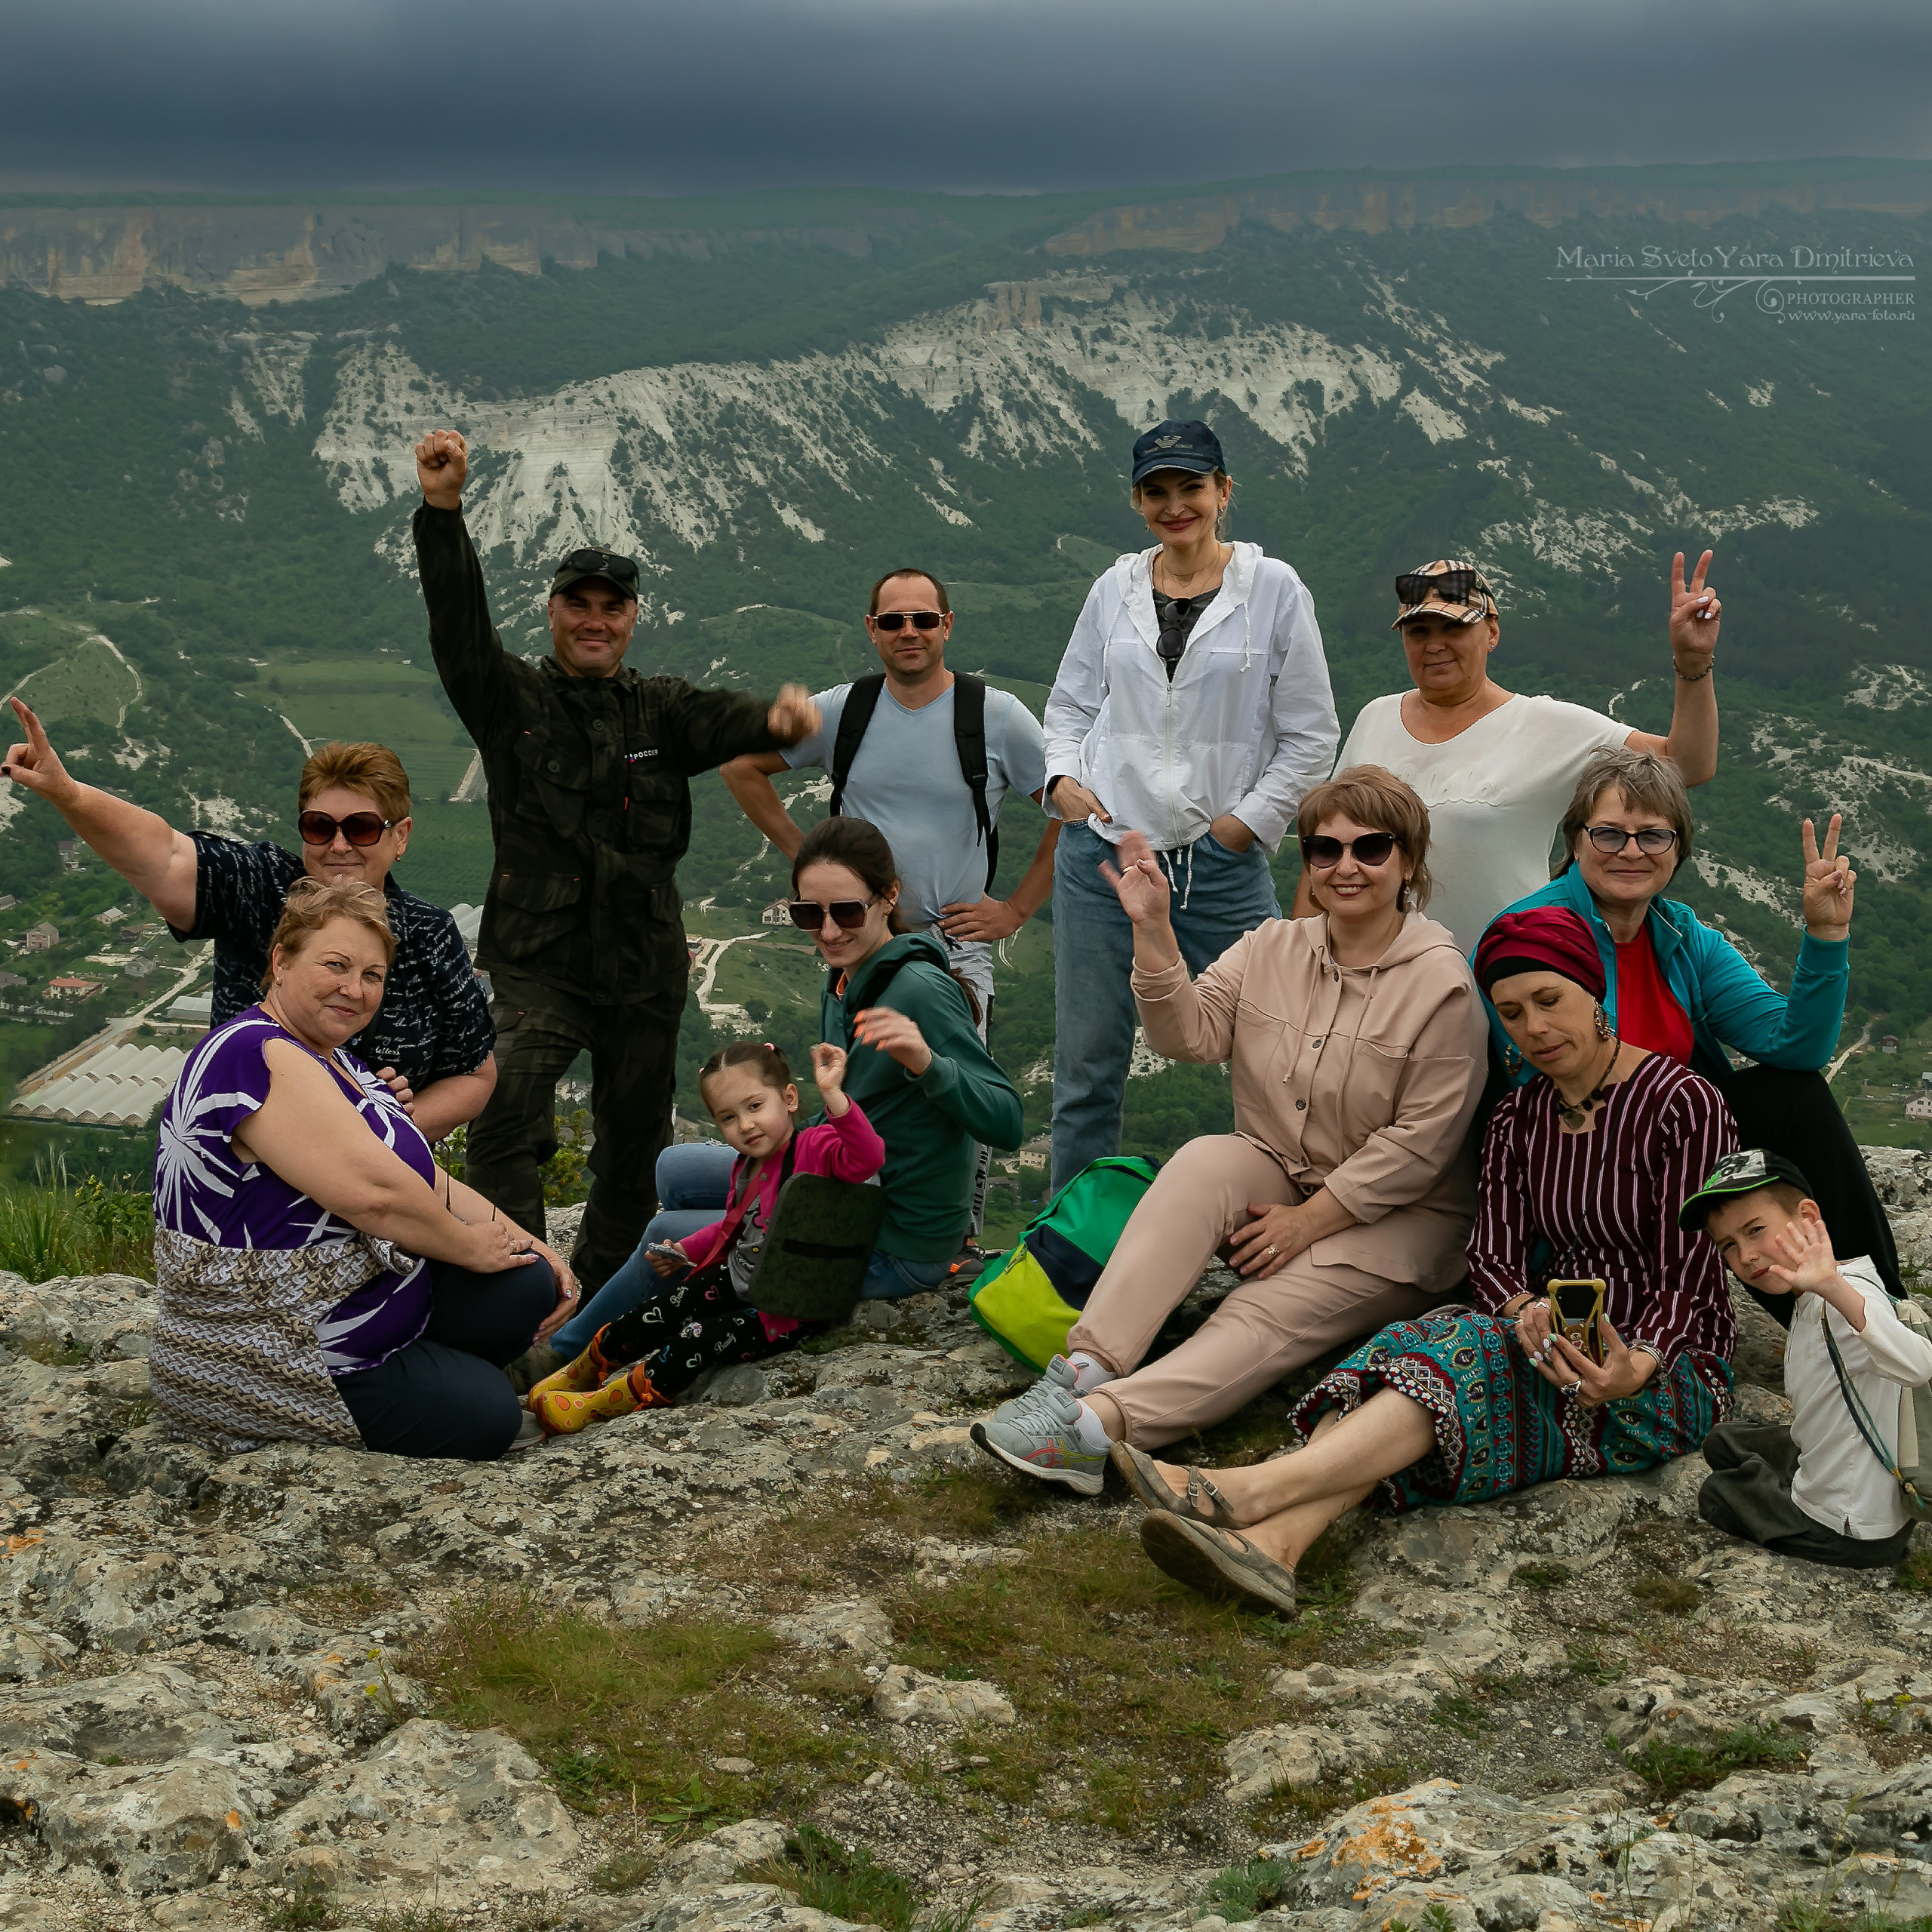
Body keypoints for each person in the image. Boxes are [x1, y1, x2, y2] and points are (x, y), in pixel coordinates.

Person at [1115, 903, 1738, 1617]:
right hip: (1553, 1340)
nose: (1534, 1028)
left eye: (1549, 1000)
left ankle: (1258, 1488)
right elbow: (1494, 1255)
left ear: (1594, 994)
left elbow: (1693, 1267)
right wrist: (1522, 1309)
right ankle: (1275, 1548)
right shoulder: (1517, 1118)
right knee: (1406, 1346)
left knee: (1464, 1362)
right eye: (1510, 1012)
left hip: (1668, 1368)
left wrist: (1637, 1363)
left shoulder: (1684, 1103)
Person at [971, 768, 1486, 1496]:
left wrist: (1308, 1223)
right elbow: (1191, 1033)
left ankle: (1098, 1429)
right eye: (1325, 850)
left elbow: (1421, 1146)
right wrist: (1153, 932)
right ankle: (1084, 1369)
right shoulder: (1272, 946)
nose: (1346, 867)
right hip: (1286, 1168)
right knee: (1207, 1157)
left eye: (1371, 849)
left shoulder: (1443, 984)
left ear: (1408, 861)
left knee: (1260, 1305)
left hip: (1404, 1218)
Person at [411, 429, 821, 1294]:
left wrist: (774, 722)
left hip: (643, 963)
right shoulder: (508, 698)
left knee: (634, 1143)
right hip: (540, 963)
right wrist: (443, 512)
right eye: (578, 605)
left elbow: (720, 722)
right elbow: (456, 628)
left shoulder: (661, 709)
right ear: (553, 612)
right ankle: (519, 1288)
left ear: (632, 619)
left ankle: (596, 1298)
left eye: (611, 607)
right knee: (505, 1112)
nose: (595, 620)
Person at [148, 878, 577, 1461]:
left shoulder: (338, 1060)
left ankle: (429, 1379)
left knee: (525, 1280)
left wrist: (535, 1247)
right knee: (491, 1417)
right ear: (281, 962)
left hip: (358, 1297)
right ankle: (429, 1389)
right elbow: (374, 1195)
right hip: (273, 1342)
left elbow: (427, 1178)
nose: (354, 989)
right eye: (336, 965)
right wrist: (469, 1249)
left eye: (372, 975)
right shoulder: (253, 1053)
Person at [1041, 419, 1339, 1193]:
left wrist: (1243, 827)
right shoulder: (1113, 589)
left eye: (1190, 488)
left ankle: (1286, 1226)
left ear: (1222, 492)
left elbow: (1312, 735)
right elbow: (1070, 706)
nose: (1175, 506)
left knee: (1275, 1054)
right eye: (1156, 492)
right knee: (1087, 1064)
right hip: (1103, 857)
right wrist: (1061, 784)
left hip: (1220, 864)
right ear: (1137, 500)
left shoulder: (1272, 589)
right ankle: (1067, 1252)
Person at [720, 563, 1057, 1240]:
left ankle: (950, 1246)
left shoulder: (993, 715)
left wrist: (1016, 910)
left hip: (952, 948)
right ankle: (863, 1233)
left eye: (924, 620)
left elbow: (1069, 803)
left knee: (960, 1104)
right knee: (861, 1100)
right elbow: (741, 764)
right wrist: (810, 866)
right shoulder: (847, 709)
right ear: (872, 631)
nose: (910, 632)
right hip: (861, 941)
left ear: (946, 627)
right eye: (894, 621)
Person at [1495, 745, 1893, 1315]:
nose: (1631, 851)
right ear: (1576, 842)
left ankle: (1875, 1307)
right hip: (1581, 1150)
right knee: (1709, 1141)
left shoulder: (1682, 936)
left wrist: (1826, 936)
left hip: (1684, 1132)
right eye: (1609, 834)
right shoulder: (1534, 935)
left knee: (1795, 1096)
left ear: (1677, 849)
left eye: (1653, 836)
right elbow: (1551, 1075)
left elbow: (1796, 1047)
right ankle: (1831, 1327)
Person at [2, 704, 494, 1142]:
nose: (339, 845)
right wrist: (67, 793)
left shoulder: (430, 936)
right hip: (250, 1177)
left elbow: (475, 1073)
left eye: (362, 828)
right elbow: (164, 854)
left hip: (381, 1186)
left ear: (400, 836)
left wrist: (389, 1133)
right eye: (320, 826)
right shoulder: (259, 886)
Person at [1320, 554, 1720, 952]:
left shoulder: (1546, 724)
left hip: (1505, 984)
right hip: (1373, 978)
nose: (1434, 644)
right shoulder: (1376, 717)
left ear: (1492, 632)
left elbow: (1687, 765)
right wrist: (1305, 953)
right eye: (1418, 630)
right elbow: (1324, 845)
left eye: (1453, 627)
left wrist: (1693, 661)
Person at [526, 1039, 886, 1432]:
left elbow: (866, 1157)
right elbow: (733, 1223)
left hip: (785, 1308)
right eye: (728, 1118)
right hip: (739, 1278)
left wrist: (834, 1095)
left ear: (790, 1098)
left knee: (694, 1340)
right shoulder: (747, 1166)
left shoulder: (815, 1148)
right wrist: (685, 1248)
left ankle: (602, 1404)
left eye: (755, 1106)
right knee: (657, 1312)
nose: (746, 1125)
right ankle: (587, 1367)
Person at [1687, 1149, 1932, 1570]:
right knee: (1722, 1439)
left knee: (1718, 1492)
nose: (1745, 1255)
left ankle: (1783, 1488)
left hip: (1853, 1529)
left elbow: (1917, 1365)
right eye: (1728, 1244)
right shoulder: (1818, 1287)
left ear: (1806, 1217)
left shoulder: (1839, 1297)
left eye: (1756, 1230)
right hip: (1849, 1469)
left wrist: (1832, 1289)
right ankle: (1786, 1474)